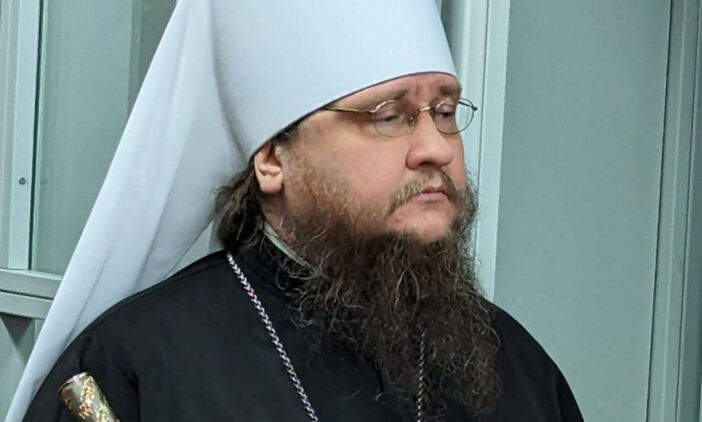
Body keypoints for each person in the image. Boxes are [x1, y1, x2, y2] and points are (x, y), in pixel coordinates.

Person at [9, 1, 583, 421]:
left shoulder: (513, 364)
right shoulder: (132, 369)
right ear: (272, 159)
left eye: (445, 111)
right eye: (388, 116)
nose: (435, 147)